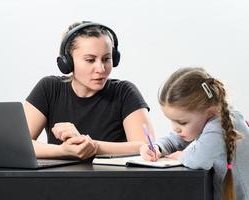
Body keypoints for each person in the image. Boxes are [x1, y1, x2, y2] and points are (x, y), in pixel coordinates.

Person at [24, 21, 154, 160]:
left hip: (113, 180)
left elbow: (148, 147)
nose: (101, 69)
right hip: (61, 180)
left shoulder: (125, 92)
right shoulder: (49, 88)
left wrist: (92, 146)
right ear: (67, 62)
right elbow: (19, 145)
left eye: (106, 59)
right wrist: (63, 150)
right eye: (90, 60)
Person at [140, 67, 249, 200]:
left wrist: (182, 156)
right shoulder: (211, 118)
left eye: (182, 122)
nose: (175, 128)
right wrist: (157, 148)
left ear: (210, 111)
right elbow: (175, 139)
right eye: (172, 121)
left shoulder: (219, 126)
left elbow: (199, 160)